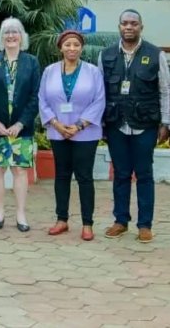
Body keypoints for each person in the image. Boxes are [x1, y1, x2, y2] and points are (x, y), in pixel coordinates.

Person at [98, 9, 170, 243]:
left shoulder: (155, 53)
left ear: (141, 27)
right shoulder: (106, 54)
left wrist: (166, 121)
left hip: (145, 125)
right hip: (116, 123)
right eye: (125, 23)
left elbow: (165, 89)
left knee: (144, 174)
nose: (129, 27)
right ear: (119, 26)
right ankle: (120, 221)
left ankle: (145, 225)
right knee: (120, 174)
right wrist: (100, 123)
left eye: (133, 23)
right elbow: (99, 92)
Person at [40, 30, 105, 241]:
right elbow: (42, 99)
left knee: (84, 177)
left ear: (81, 48)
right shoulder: (49, 71)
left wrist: (79, 125)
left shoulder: (93, 71)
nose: (72, 48)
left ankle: (87, 223)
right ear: (60, 47)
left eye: (76, 45)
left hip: (86, 133)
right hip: (58, 132)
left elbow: (99, 100)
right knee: (62, 175)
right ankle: (62, 219)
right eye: (67, 44)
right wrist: (56, 124)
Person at [0, 18, 40, 232]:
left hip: (21, 130)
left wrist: (21, 123)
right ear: (1, 37)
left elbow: (35, 97)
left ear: (22, 36)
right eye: (6, 32)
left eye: (15, 32)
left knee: (19, 171)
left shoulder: (31, 62)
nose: (11, 35)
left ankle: (21, 215)